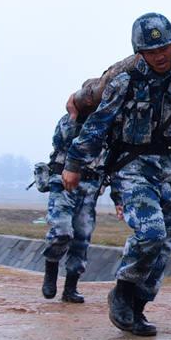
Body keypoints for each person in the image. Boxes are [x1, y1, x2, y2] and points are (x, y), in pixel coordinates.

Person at [61, 12, 171, 336]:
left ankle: (138, 307)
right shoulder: (125, 81)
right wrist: (73, 165)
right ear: (139, 52)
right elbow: (97, 125)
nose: (160, 56)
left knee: (166, 242)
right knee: (151, 232)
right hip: (134, 169)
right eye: (151, 51)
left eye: (165, 48)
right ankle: (123, 289)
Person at [40, 113, 113, 302]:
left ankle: (70, 288)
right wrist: (74, 116)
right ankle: (51, 270)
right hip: (63, 182)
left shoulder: (107, 123)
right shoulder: (68, 120)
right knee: (61, 231)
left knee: (82, 238)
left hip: (90, 187)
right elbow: (60, 142)